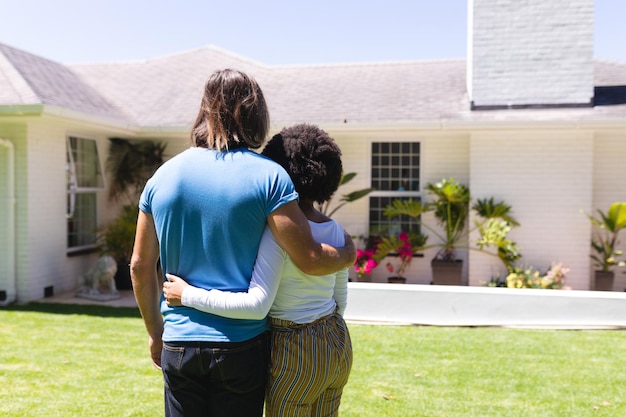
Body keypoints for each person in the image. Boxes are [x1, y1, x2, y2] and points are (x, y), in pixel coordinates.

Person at [130, 70, 355, 417]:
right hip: (241, 345)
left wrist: (155, 333)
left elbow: (140, 266)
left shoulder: (162, 177)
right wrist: (347, 253)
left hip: (179, 340)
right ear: (256, 113)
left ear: (203, 110)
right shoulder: (269, 176)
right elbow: (309, 257)